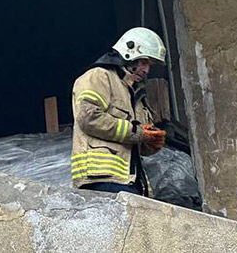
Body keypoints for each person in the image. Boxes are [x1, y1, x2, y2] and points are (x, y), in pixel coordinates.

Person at [71, 27, 168, 197]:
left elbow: (137, 140)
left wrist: (151, 142)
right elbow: (89, 118)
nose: (146, 70)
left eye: (149, 65)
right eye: (144, 62)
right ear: (129, 52)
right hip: (100, 179)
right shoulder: (99, 76)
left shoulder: (136, 93)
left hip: (131, 181)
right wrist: (138, 133)